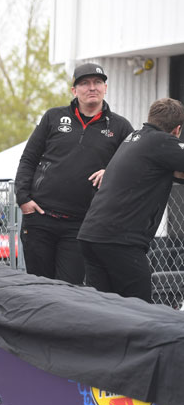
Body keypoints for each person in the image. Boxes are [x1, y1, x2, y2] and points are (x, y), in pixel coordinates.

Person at [14, 63, 134, 283]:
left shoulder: (121, 127)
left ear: (105, 88)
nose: (92, 87)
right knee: (38, 288)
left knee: (69, 290)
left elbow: (134, 166)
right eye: (85, 83)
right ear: (74, 90)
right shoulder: (53, 117)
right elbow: (28, 159)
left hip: (82, 224)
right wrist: (23, 199)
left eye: (98, 82)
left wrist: (111, 171)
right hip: (40, 218)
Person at [78, 98, 184, 302]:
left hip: (91, 235)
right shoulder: (162, 142)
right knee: (139, 307)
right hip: (119, 240)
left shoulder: (134, 138)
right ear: (177, 129)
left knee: (104, 307)